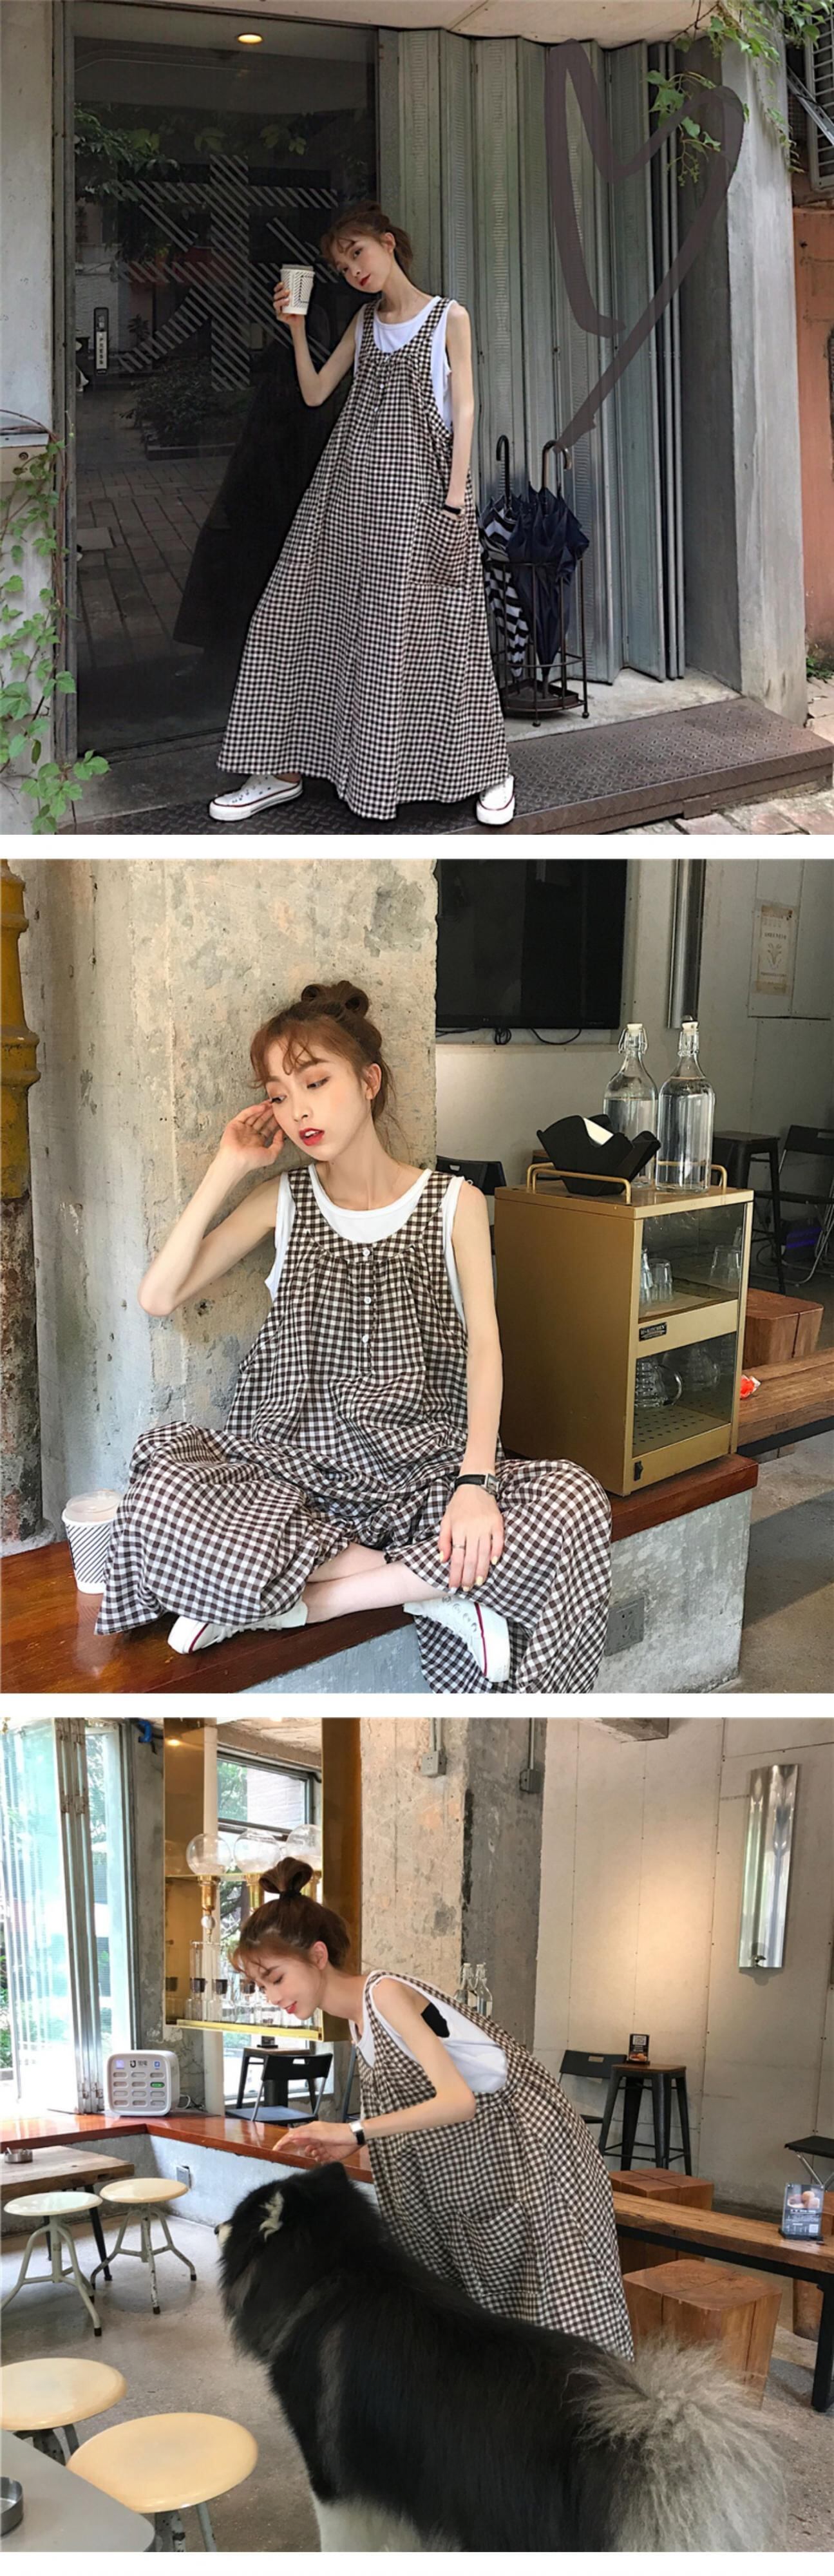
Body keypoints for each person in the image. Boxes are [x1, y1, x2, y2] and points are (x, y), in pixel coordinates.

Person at [96, 980, 610, 1693]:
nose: (298, 1110)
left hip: (422, 1471)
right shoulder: (283, 1201)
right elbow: (159, 1296)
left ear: (368, 1082)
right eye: (278, 1095)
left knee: (574, 1501)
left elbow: (485, 1348)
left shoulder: (453, 1204)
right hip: (292, 1474)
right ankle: (438, 1589)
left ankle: (290, 1601)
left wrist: (475, 1482)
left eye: (315, 1082)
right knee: (159, 1488)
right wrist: (228, 1164)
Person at [232, 1857, 633, 2359]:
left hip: (535, 2158)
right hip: (489, 2166)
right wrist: (349, 2142)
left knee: (560, 2317)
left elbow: (457, 2100)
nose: (272, 1997)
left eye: (275, 1978)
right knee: (497, 2328)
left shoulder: (385, 1994)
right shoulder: (358, 2023)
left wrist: (353, 2131)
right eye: (261, 1986)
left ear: (317, 1955)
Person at [209, 202, 515, 830]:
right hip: (346, 504)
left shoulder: (447, 317)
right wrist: (296, 329)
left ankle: (487, 769)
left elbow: (465, 410)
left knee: (437, 639)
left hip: (422, 506)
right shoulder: (364, 322)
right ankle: (282, 769)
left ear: (387, 243)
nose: (353, 270)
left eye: (358, 253)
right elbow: (316, 392)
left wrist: (453, 503)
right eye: (342, 265)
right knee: (292, 616)